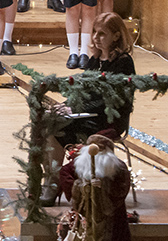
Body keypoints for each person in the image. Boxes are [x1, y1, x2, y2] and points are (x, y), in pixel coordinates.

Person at [59, 134, 142, 241]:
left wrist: (103, 187)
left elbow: (121, 189)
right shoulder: (79, 164)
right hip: (87, 215)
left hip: (110, 217)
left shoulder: (118, 167)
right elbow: (68, 178)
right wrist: (83, 187)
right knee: (83, 237)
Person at [54, 12, 136, 147]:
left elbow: (111, 101)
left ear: (116, 36)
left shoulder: (123, 62)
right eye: (94, 32)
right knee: (50, 123)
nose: (96, 37)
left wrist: (73, 109)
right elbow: (83, 91)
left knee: (60, 127)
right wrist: (65, 105)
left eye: (102, 33)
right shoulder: (94, 60)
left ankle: (72, 164)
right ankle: (53, 168)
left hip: (109, 119)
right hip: (88, 114)